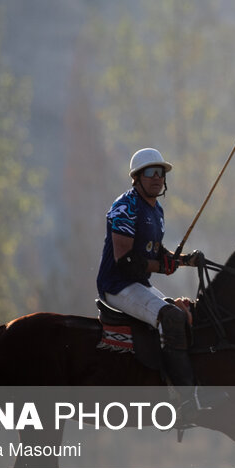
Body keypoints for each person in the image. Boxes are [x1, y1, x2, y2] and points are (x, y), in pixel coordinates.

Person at [96, 147, 206, 422]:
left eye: (161, 173)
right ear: (137, 177)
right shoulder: (125, 207)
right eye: (150, 173)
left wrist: (184, 260)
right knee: (170, 317)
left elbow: (155, 253)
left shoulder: (157, 211)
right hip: (117, 284)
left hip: (138, 284)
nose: (157, 178)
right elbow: (125, 261)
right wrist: (163, 266)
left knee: (182, 314)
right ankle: (184, 398)